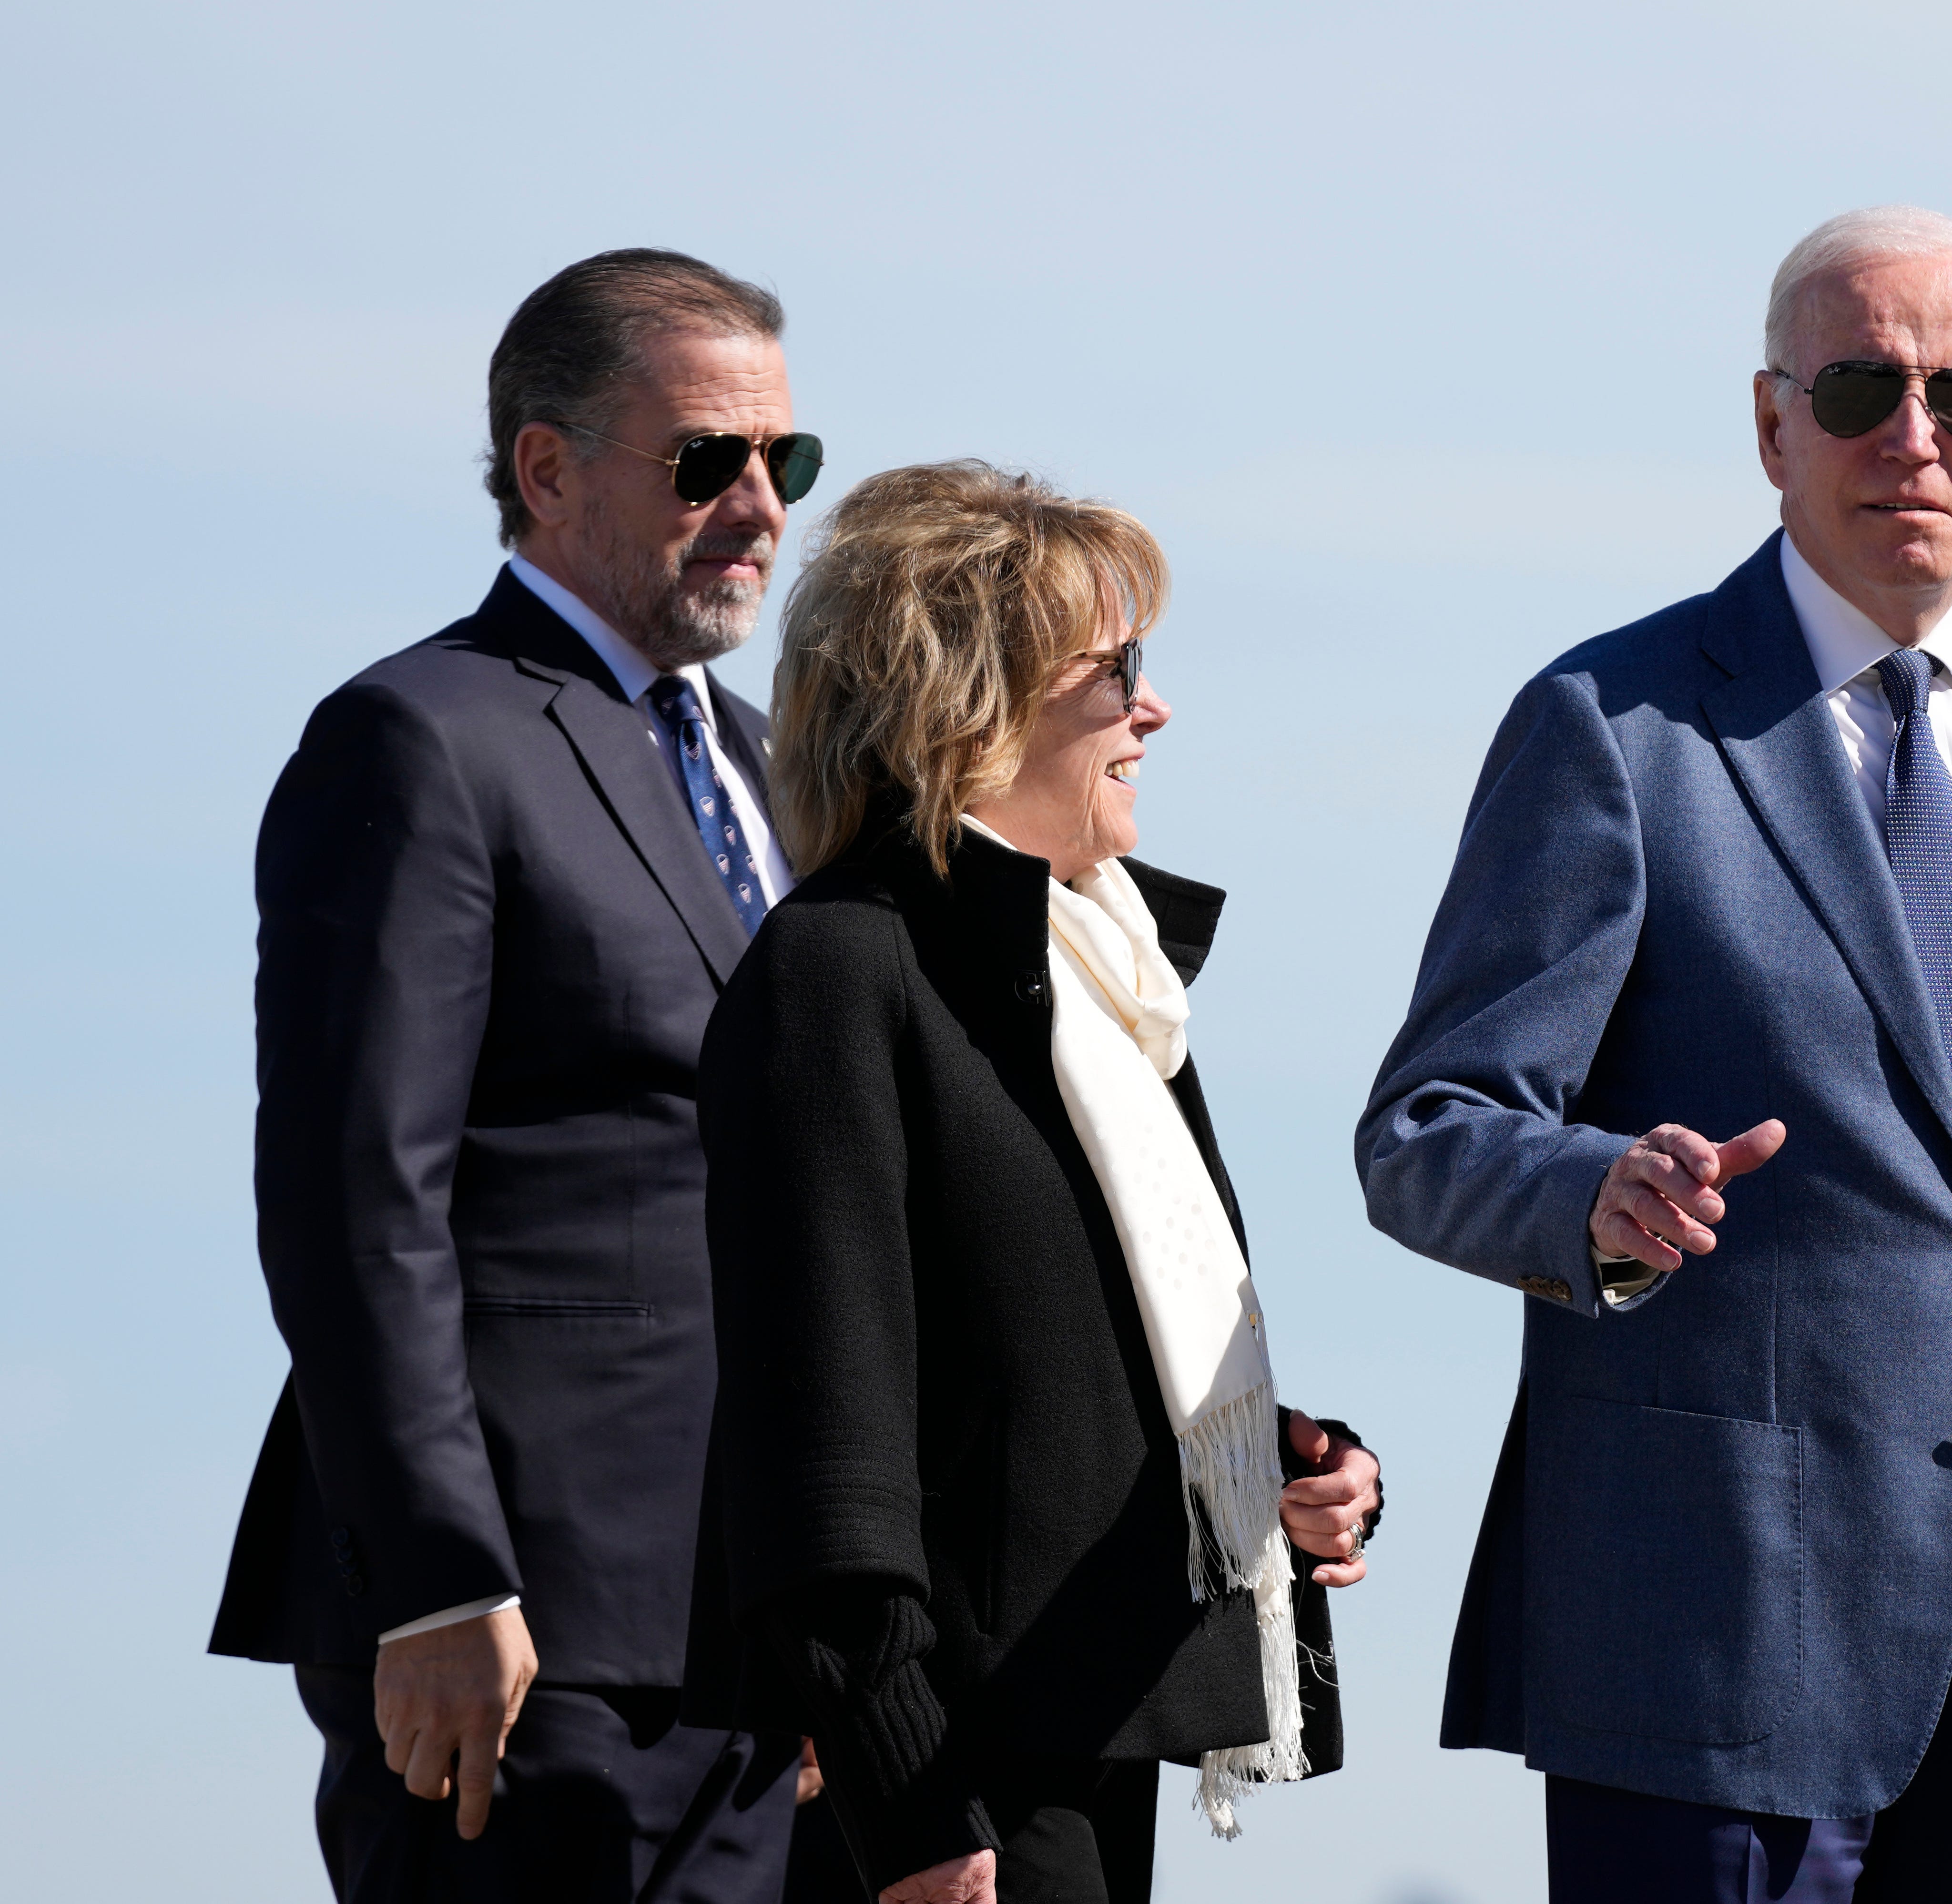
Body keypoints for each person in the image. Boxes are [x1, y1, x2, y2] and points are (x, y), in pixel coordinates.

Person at [1358, 206, 1952, 1904]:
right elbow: (1427, 1129)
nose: (1914, 438)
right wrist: (1596, 1189)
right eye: (1855, 390)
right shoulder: (1613, 726)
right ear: (1768, 424)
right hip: (1704, 1671)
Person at [680, 461, 1383, 1904]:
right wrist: (912, 1807)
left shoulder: (1101, 979)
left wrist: (1295, 1471)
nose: (1154, 705)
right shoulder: (841, 967)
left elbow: (1063, 1375)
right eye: (1112, 666)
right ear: (964, 701)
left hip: (1093, 1732)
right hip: (952, 1792)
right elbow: (823, 1440)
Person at [210, 248, 821, 1902]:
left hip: (745, 1631)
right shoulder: (421, 738)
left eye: (787, 460)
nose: (760, 504)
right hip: (517, 1639)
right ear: (546, 468)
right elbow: (356, 1200)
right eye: (709, 459)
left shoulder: (772, 766)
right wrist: (434, 1578)